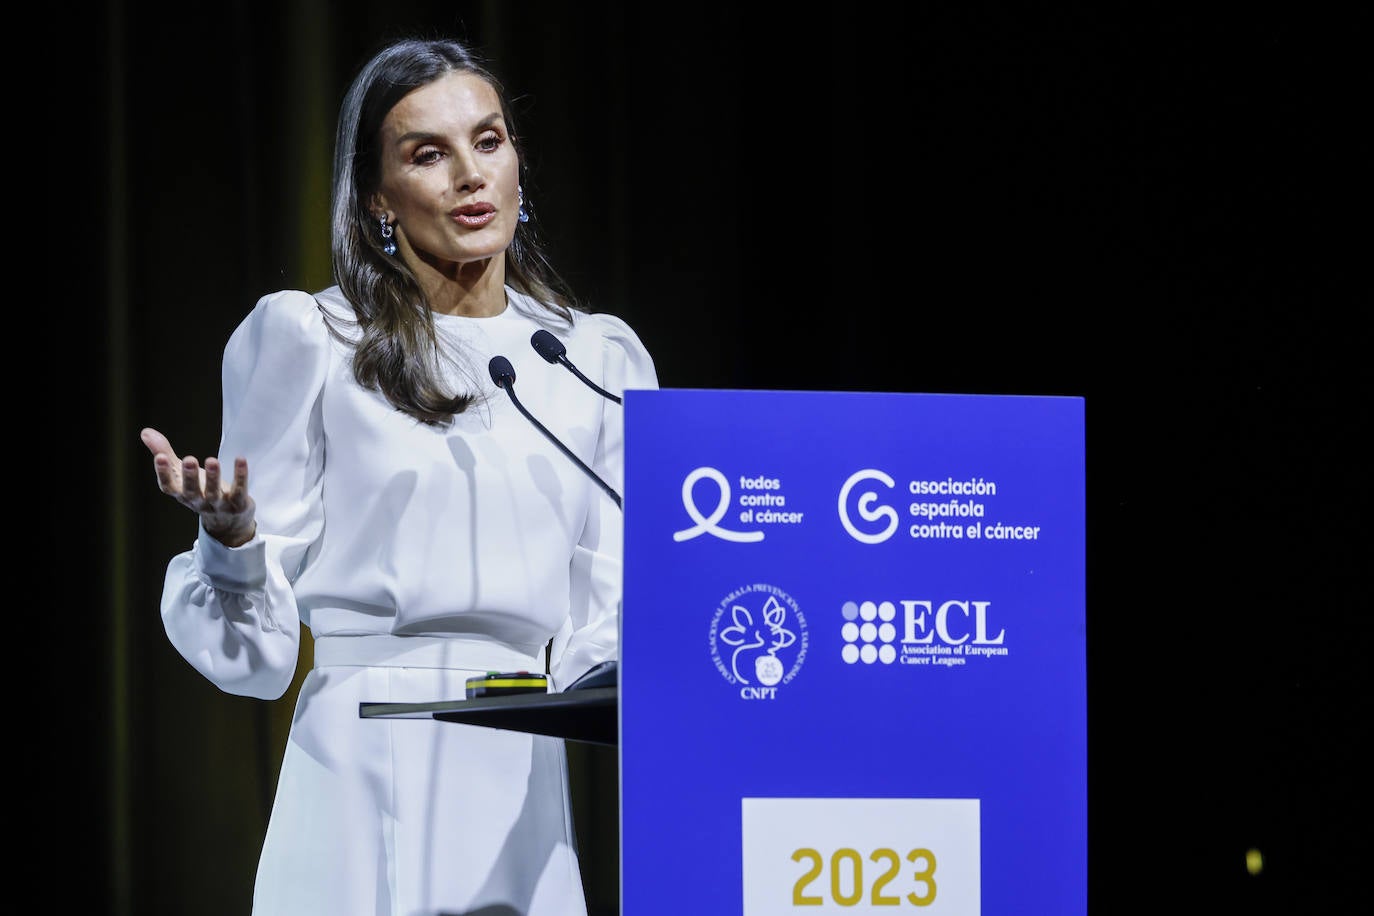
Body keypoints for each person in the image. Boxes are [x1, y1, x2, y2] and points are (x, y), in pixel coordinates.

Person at [139, 35, 656, 916]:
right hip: (361, 749)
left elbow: (614, 604)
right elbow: (256, 661)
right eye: (428, 153)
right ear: (378, 197)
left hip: (521, 762)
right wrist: (230, 541)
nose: (469, 175)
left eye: (489, 142)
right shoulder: (311, 339)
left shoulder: (594, 357)